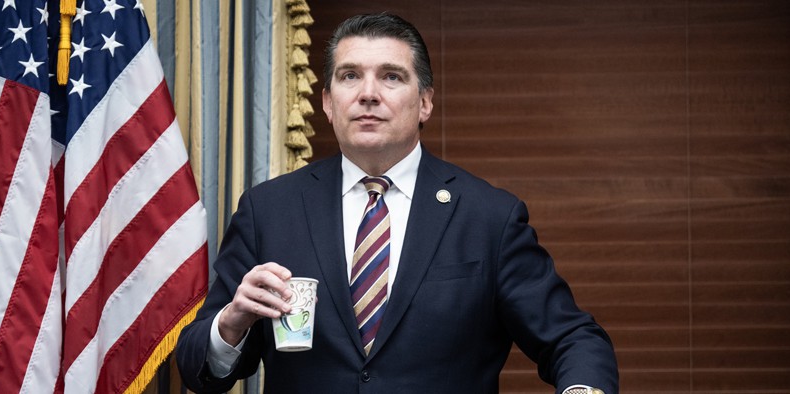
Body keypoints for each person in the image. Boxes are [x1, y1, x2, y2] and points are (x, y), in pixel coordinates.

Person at [176, 13, 618, 394]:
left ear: (425, 101)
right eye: (350, 76)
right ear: (328, 103)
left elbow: (573, 338)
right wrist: (231, 323)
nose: (368, 93)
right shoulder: (268, 210)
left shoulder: (489, 217)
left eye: (391, 76)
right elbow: (200, 369)